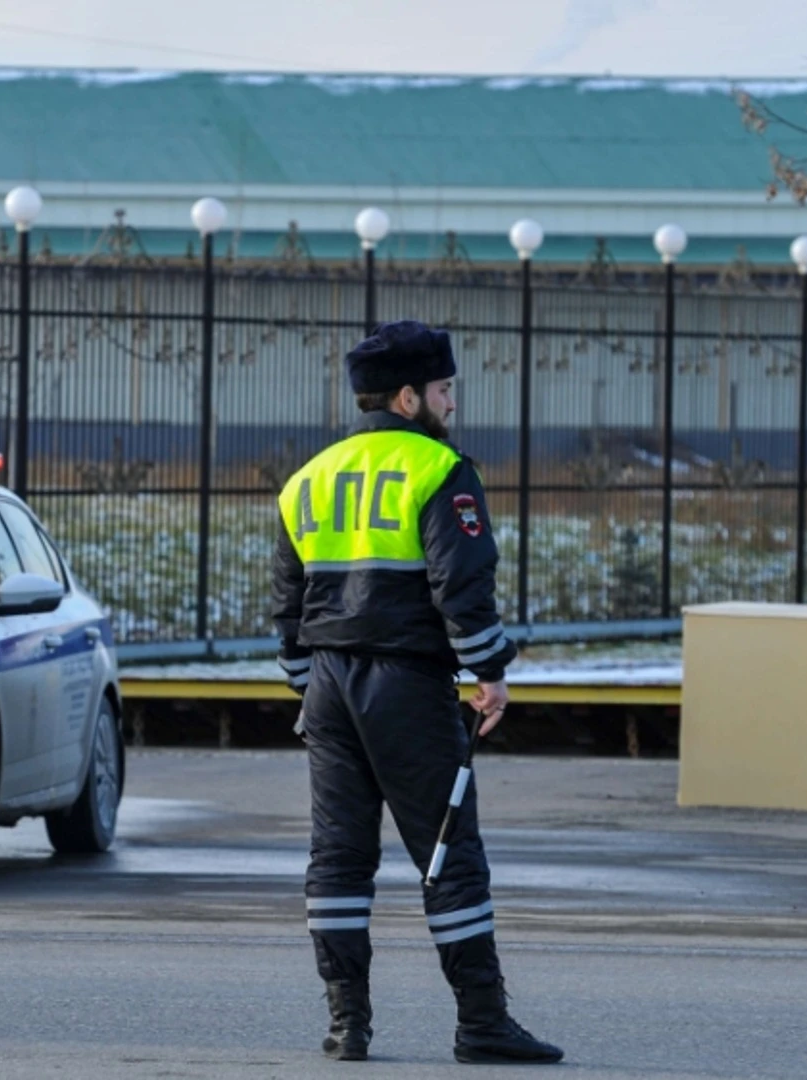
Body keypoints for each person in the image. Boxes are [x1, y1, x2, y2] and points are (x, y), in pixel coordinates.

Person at [270, 320, 562, 1065]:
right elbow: (459, 584)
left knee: (337, 860)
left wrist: (310, 692)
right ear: (407, 397)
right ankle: (482, 1023)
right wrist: (489, 675)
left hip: (330, 689)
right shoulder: (437, 470)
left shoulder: (309, 478)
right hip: (405, 682)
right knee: (448, 854)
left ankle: (347, 1024)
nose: (451, 403)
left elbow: (288, 605)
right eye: (443, 390)